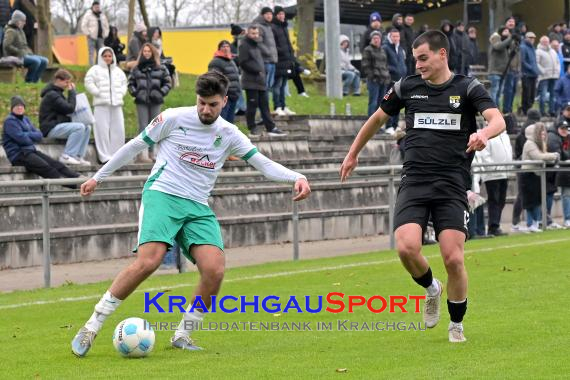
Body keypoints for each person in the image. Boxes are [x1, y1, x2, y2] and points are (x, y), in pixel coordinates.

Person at [70, 70, 312, 357]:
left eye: (212, 104)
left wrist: (297, 176)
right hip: (163, 194)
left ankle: (183, 335)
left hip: (197, 206)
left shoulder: (229, 134)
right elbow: (135, 145)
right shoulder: (173, 118)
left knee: (214, 270)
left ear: (225, 101)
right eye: (201, 103)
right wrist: (98, 177)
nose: (205, 110)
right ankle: (91, 326)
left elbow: (263, 164)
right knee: (149, 262)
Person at [340, 30, 505, 343]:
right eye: (415, 59)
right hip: (415, 180)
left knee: (454, 259)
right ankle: (432, 288)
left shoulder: (468, 87)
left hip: (452, 183)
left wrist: (485, 134)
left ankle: (456, 325)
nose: (418, 65)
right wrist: (352, 154)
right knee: (406, 247)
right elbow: (376, 119)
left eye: (424, 58)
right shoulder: (407, 87)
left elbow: (497, 119)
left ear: (442, 54)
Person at [2, 96, 80, 186]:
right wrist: (30, 135)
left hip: (30, 151)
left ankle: (77, 177)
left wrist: (27, 134)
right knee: (45, 167)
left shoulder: (25, 119)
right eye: (17, 106)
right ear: (12, 109)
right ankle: (70, 184)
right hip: (18, 155)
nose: (19, 108)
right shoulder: (10, 122)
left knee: (54, 163)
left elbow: (39, 135)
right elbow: (23, 140)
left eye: (21, 106)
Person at [128, 43, 172, 163]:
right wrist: (135, 93)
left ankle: (152, 153)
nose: (147, 53)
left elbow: (168, 83)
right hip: (141, 101)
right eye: (144, 51)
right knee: (143, 127)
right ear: (141, 53)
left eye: (149, 51)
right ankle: (142, 154)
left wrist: (160, 93)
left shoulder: (161, 67)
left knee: (154, 127)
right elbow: (130, 83)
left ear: (153, 53)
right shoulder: (136, 68)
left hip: (155, 101)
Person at [239, 25, 285, 137]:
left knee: (265, 105)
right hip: (251, 81)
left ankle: (271, 127)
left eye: (257, 33)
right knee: (252, 105)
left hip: (261, 81)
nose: (255, 36)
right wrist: (257, 71)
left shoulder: (257, 45)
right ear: (248, 34)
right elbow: (243, 63)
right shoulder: (244, 45)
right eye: (253, 33)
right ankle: (252, 128)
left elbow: (264, 57)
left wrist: (263, 72)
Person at [85, 47, 128, 164]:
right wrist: (97, 92)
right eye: (105, 56)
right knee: (101, 130)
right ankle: (104, 156)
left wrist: (121, 93)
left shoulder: (118, 71)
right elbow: (88, 81)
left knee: (119, 129)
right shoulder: (95, 70)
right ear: (100, 57)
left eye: (109, 56)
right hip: (101, 105)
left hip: (117, 104)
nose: (108, 58)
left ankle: (117, 155)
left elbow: (124, 83)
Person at [39, 69, 91, 165]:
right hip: (50, 128)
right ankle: (67, 155)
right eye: (66, 82)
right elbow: (69, 109)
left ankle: (78, 156)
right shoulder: (52, 95)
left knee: (87, 127)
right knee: (79, 127)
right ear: (58, 80)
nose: (68, 85)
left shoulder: (58, 93)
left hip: (58, 125)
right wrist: (72, 93)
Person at [521, 122, 559, 232]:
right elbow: (537, 156)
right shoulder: (529, 143)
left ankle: (535, 223)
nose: (543, 136)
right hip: (529, 174)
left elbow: (542, 156)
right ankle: (530, 224)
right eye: (540, 133)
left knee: (537, 201)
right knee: (530, 201)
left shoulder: (538, 143)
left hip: (536, 174)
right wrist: (554, 155)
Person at [475, 128, 512, 236]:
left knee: (501, 200)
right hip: (492, 174)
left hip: (505, 172)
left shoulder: (505, 135)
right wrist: (493, 167)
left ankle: (496, 225)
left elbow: (508, 151)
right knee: (494, 200)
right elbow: (484, 153)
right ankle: (493, 227)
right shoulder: (487, 133)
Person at [511, 109, 541, 232]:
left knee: (523, 195)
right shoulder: (532, 132)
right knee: (525, 195)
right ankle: (519, 221)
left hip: (521, 165)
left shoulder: (522, 132)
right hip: (527, 166)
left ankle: (521, 221)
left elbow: (517, 152)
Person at [2, 10, 48, 83]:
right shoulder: (10, 31)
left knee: (44, 61)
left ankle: (34, 81)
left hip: (24, 54)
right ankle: (28, 81)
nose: (25, 23)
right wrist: (18, 52)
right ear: (18, 21)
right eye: (23, 21)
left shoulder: (20, 30)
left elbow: (24, 45)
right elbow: (6, 46)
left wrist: (29, 52)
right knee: (36, 61)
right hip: (14, 57)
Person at [208, 40, 241, 123]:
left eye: (228, 46)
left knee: (230, 123)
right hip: (224, 96)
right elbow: (215, 80)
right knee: (222, 121)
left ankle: (228, 136)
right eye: (223, 46)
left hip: (234, 95)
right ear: (219, 49)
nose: (226, 48)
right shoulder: (216, 62)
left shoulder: (231, 60)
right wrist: (223, 93)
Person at [271, 5, 296, 116]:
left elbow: (288, 44)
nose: (282, 16)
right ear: (276, 15)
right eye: (280, 14)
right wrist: (283, 52)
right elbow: (273, 45)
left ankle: (283, 106)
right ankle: (277, 106)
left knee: (283, 85)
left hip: (286, 61)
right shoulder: (273, 27)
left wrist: (291, 56)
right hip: (278, 61)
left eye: (283, 14)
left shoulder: (284, 27)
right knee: (277, 85)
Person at [361, 31, 390, 118]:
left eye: (378, 38)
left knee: (381, 103)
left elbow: (385, 64)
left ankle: (377, 124)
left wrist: (387, 76)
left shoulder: (382, 50)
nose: (376, 40)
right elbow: (365, 65)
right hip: (374, 80)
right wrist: (372, 76)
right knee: (373, 102)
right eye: (374, 38)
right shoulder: (367, 50)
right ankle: (370, 124)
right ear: (371, 39)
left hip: (384, 79)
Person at [383, 28, 407, 134]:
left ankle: (395, 125)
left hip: (400, 80)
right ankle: (388, 126)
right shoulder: (385, 48)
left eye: (397, 36)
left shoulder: (401, 49)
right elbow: (384, 63)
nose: (396, 38)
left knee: (398, 103)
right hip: (390, 80)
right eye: (394, 36)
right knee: (389, 103)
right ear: (390, 36)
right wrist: (392, 70)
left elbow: (403, 62)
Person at [546, 120, 569, 228]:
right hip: (560, 173)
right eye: (562, 128)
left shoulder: (561, 138)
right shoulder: (555, 138)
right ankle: (565, 219)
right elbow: (560, 154)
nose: (564, 131)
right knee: (565, 196)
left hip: (560, 172)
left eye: (566, 128)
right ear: (558, 129)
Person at [252, 7, 277, 92]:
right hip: (265, 60)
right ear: (262, 15)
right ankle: (263, 105)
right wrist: (268, 52)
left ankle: (265, 104)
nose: (270, 16)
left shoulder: (268, 26)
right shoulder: (259, 26)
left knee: (269, 86)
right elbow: (258, 42)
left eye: (271, 14)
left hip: (272, 60)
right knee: (264, 86)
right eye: (267, 14)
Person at [536, 35, 560, 117]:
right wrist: (543, 71)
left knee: (553, 95)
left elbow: (557, 62)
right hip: (544, 77)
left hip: (554, 76)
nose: (546, 43)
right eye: (544, 41)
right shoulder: (538, 51)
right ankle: (542, 111)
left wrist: (558, 71)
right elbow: (537, 63)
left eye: (547, 41)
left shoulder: (552, 51)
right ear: (541, 42)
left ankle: (551, 111)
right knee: (543, 94)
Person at [81, 1, 109, 67]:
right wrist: (88, 34)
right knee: (91, 53)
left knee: (100, 53)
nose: (97, 8)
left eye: (98, 7)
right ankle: (91, 67)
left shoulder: (102, 15)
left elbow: (106, 25)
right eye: (96, 7)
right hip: (91, 37)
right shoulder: (88, 15)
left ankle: (98, 66)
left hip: (101, 37)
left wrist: (106, 34)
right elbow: (83, 25)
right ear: (92, 7)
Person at [520, 32, 539, 115]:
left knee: (532, 94)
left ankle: (529, 109)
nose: (532, 39)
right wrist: (532, 69)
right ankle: (525, 110)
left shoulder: (533, 48)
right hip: (526, 74)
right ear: (526, 38)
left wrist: (536, 70)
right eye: (530, 38)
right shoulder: (523, 47)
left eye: (533, 38)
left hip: (533, 74)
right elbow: (523, 61)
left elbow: (534, 61)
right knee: (526, 93)